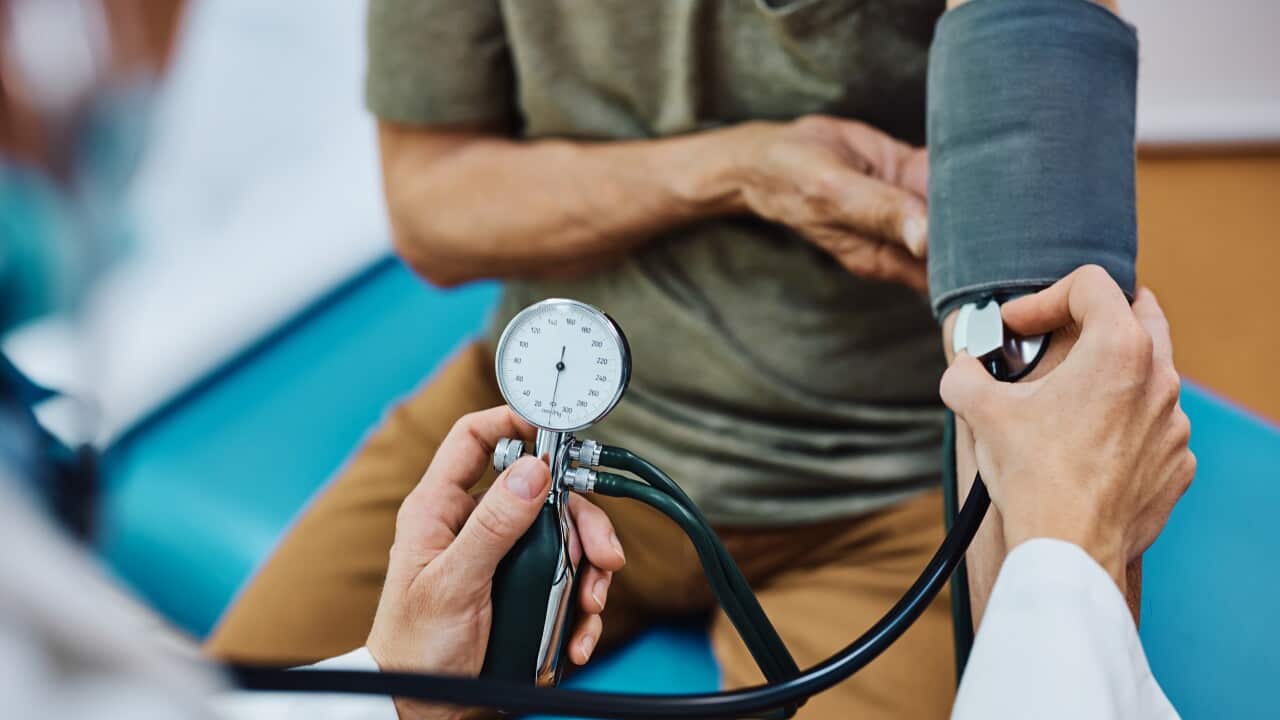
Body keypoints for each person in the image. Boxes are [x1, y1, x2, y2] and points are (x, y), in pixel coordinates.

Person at [0, 263, 1189, 719]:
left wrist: (410, 690)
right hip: (526, 400)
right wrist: (1068, 550)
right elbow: (432, 216)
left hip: (877, 482)